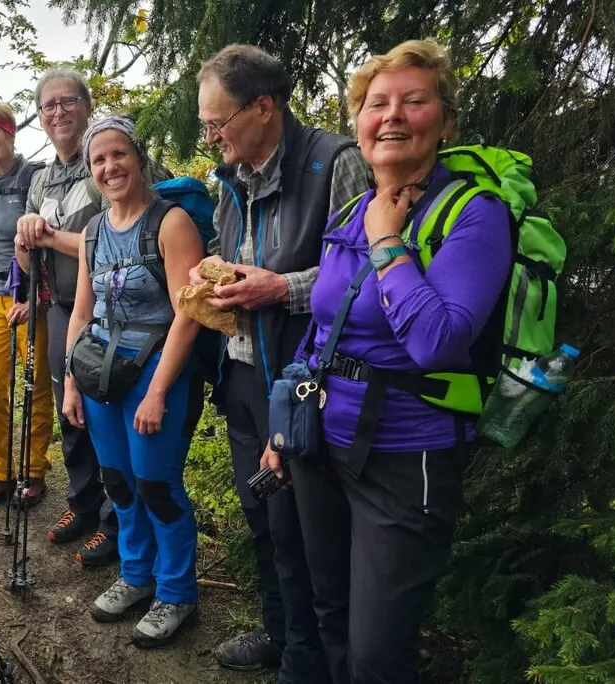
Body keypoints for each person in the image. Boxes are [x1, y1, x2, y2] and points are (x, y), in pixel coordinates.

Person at [264, 39, 511, 684]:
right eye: (377, 103)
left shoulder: (474, 215)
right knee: (332, 614)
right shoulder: (349, 209)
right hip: (321, 444)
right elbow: (325, 326)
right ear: (359, 123)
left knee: (378, 653)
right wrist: (286, 422)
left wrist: (386, 241)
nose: (393, 115)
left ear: (447, 121)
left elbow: (438, 341)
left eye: (414, 100)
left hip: (407, 456)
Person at [193, 44, 371, 679]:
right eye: (206, 125)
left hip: (306, 384)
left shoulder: (334, 164)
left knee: (309, 537)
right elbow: (228, 246)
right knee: (264, 520)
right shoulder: (234, 179)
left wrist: (281, 287)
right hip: (243, 373)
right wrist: (211, 273)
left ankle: (312, 663)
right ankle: (280, 634)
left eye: (218, 123)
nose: (211, 137)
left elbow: (363, 274)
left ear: (263, 108)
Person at [62, 115, 205, 648]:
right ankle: (137, 574)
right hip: (99, 372)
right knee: (119, 481)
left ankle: (176, 591)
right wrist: (71, 382)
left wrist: (160, 390)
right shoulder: (94, 232)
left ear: (138, 158)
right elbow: (81, 313)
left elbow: (188, 314)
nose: (110, 166)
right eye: (99, 160)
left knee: (157, 484)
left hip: (153, 369)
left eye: (118, 154)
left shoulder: (169, 224)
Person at [14, 68, 117, 566]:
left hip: (112, 310)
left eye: (67, 101)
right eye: (48, 105)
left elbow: (119, 235)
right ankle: (82, 502)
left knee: (105, 411)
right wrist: (23, 238)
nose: (58, 112)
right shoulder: (40, 179)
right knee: (69, 408)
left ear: (86, 105)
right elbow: (26, 263)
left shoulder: (108, 161)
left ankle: (117, 520)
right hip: (59, 306)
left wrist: (50, 236)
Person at [0, 103, 52, 510]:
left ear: (11, 134)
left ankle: (34, 470)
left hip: (30, 297)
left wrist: (37, 291)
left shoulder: (34, 177)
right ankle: (1, 470)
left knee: (35, 387)